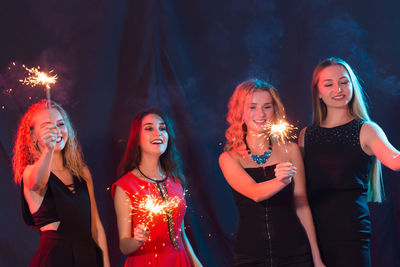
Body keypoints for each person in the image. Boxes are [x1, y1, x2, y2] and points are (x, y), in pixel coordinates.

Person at [299, 57, 400, 267]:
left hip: (351, 233)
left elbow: (395, 161)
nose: (338, 89)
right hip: (312, 233)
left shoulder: (367, 129)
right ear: (317, 92)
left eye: (344, 82)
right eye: (329, 84)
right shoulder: (305, 135)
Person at [219, 80, 325, 267]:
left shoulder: (290, 150)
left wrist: (317, 259)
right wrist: (281, 180)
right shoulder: (229, 158)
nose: (260, 113)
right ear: (240, 111)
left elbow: (302, 205)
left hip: (295, 254)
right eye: (252, 107)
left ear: (274, 110)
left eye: (267, 107)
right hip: (250, 257)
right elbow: (255, 193)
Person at [12, 100, 110, 267]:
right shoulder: (30, 173)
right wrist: (48, 149)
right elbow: (38, 182)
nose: (55, 131)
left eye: (60, 124)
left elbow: (96, 226)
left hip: (88, 258)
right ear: (32, 136)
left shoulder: (82, 172)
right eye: (47, 127)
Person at [112, 109, 202, 267]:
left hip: (180, 261)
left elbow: (181, 234)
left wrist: (195, 262)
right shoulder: (126, 186)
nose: (158, 133)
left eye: (162, 128)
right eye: (149, 128)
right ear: (137, 139)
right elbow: (124, 246)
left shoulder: (176, 182)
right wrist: (137, 240)